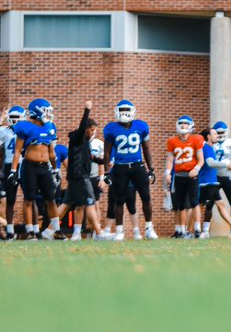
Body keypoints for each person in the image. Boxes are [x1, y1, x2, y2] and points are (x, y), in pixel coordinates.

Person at [102, 99, 158, 240]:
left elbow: (146, 149)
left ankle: (149, 228)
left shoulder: (141, 126)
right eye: (122, 111)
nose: (125, 114)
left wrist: (151, 169)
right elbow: (107, 152)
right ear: (116, 112)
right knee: (119, 200)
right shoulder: (111, 128)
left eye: (127, 110)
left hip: (138, 166)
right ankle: (120, 231)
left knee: (146, 196)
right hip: (120, 168)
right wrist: (107, 171)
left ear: (133, 112)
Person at [11, 99, 64, 240]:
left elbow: (51, 152)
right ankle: (30, 231)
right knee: (29, 199)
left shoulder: (50, 126)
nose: (49, 114)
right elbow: (17, 151)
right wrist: (13, 170)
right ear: (37, 112)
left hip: (45, 167)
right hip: (30, 167)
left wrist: (55, 170)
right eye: (46, 111)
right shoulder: (25, 127)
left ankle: (56, 230)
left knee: (51, 199)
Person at [63, 101, 110, 240]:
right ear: (86, 129)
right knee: (90, 202)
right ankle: (99, 233)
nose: (93, 133)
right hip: (80, 176)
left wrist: (106, 162)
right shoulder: (78, 138)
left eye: (95, 130)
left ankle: (53, 231)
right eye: (91, 130)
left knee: (71, 205)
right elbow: (82, 124)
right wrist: (87, 110)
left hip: (76, 176)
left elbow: (92, 158)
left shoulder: (85, 143)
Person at [166, 116, 205, 238]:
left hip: (191, 175)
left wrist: (196, 169)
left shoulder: (197, 139)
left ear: (191, 125)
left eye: (186, 123)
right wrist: (167, 173)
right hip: (178, 175)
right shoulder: (172, 141)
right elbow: (169, 159)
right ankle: (182, 230)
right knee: (180, 204)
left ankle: (198, 229)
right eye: (181, 123)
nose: (183, 126)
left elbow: (201, 159)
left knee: (194, 202)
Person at [197, 126, 231, 238]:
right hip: (206, 182)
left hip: (212, 181)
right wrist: (226, 164)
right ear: (208, 137)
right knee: (199, 206)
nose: (217, 135)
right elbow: (210, 163)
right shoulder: (206, 148)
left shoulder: (211, 148)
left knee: (220, 204)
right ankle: (194, 231)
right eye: (215, 134)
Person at [1, 105, 24, 239]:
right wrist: (1, 118)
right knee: (10, 200)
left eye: (17, 118)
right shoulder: (4, 131)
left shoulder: (26, 130)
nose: (15, 121)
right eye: (12, 118)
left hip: (25, 164)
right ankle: (10, 230)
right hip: (9, 165)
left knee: (29, 198)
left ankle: (32, 229)